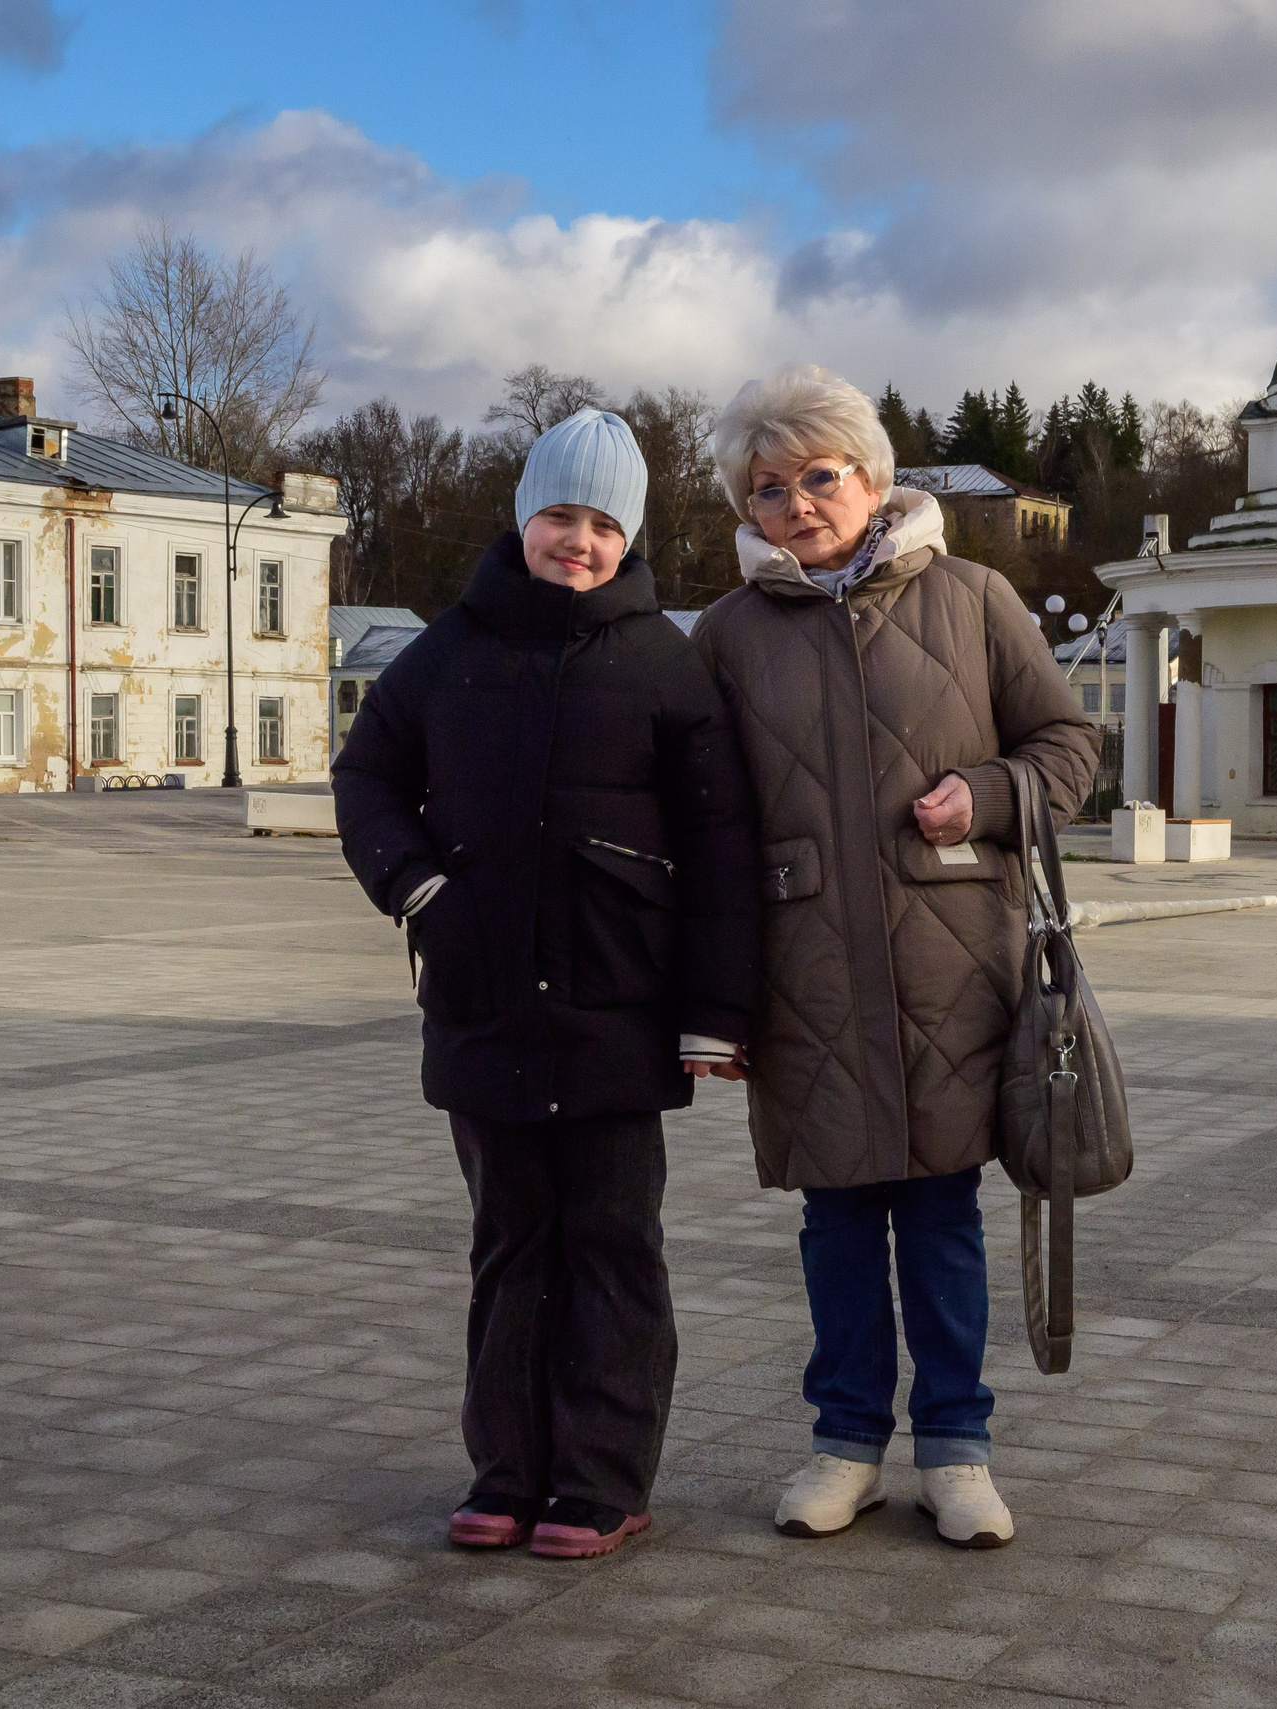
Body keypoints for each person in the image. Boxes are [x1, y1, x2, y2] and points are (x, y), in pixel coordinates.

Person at [332, 409, 760, 1561]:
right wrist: (414, 888)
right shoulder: (449, 649)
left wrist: (715, 1014)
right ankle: (507, 1471)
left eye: (603, 523)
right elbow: (367, 773)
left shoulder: (662, 661)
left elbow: (721, 847)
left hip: (618, 1006)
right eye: (560, 516)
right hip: (482, 1003)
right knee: (511, 1243)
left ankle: (600, 1480)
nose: (579, 541)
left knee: (612, 1246)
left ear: (630, 539)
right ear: (523, 518)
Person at [690, 366, 1098, 1550]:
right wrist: (710, 1001)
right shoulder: (725, 635)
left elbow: (1067, 743)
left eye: (821, 476)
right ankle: (846, 1443)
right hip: (801, 970)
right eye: (770, 488)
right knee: (833, 1221)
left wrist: (988, 792)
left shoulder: (972, 597)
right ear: (748, 507)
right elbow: (703, 821)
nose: (800, 503)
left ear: (872, 478)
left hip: (952, 960)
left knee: (940, 1215)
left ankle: (958, 1449)